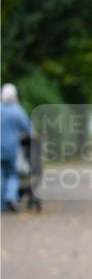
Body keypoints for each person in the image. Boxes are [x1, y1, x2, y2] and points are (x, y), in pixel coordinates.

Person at [1, 83, 31, 212]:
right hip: (11, 148)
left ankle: (2, 205)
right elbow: (28, 129)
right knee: (12, 174)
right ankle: (10, 196)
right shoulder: (17, 110)